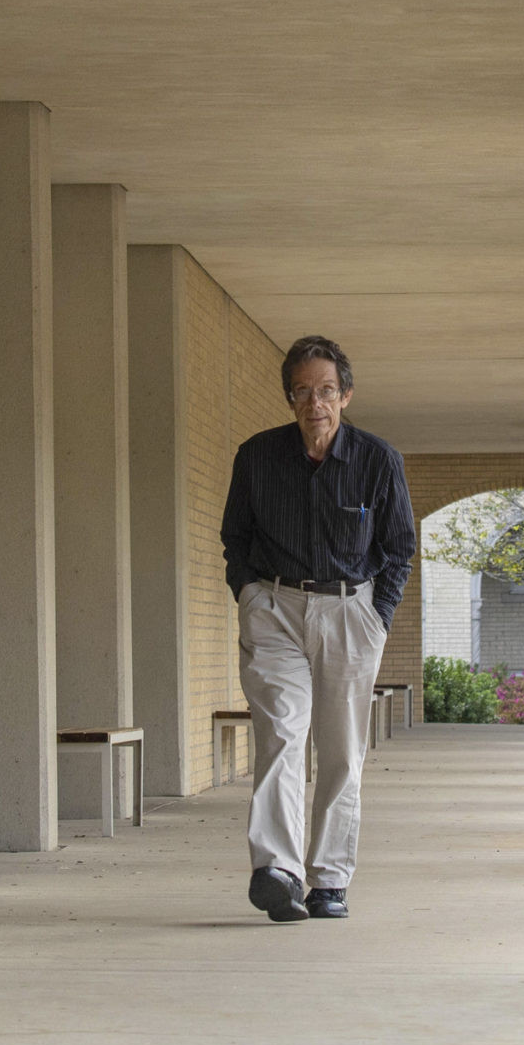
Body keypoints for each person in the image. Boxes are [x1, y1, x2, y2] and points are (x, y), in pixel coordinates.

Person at [220, 335, 416, 922]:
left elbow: (399, 548)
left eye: (326, 390)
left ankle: (328, 879)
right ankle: (277, 870)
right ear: (289, 398)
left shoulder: (378, 461)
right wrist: (250, 595)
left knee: (339, 750)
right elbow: (236, 538)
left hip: (350, 614)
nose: (315, 403)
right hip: (275, 611)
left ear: (346, 395)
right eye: (302, 391)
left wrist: (375, 616)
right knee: (281, 733)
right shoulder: (256, 456)